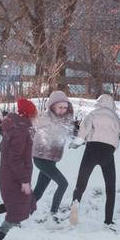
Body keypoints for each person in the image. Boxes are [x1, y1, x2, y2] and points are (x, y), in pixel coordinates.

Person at [0, 98, 37, 240]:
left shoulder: (16, 127)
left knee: (23, 203)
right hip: (15, 176)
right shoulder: (20, 131)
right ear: (28, 115)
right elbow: (15, 159)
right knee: (19, 208)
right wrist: (24, 180)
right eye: (34, 115)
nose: (36, 118)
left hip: (11, 175)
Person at [70, 94, 120, 226]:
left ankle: (75, 204)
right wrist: (112, 149)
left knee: (81, 184)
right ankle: (108, 220)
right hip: (107, 151)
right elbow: (117, 136)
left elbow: (83, 130)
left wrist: (77, 142)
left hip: (91, 149)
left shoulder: (93, 114)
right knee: (110, 188)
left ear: (98, 103)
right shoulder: (115, 118)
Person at [31, 91, 75, 222]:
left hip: (51, 160)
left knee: (38, 193)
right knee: (63, 184)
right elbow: (34, 129)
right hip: (41, 159)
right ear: (52, 106)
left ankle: (18, 216)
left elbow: (65, 135)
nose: (63, 110)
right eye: (60, 107)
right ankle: (53, 214)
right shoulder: (45, 118)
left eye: (65, 108)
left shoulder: (63, 120)